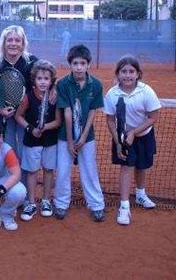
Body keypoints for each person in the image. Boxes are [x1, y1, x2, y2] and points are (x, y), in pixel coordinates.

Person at [103, 55, 161, 226]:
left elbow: (153, 117)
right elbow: (110, 120)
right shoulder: (112, 94)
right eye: (123, 72)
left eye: (131, 71)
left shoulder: (146, 91)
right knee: (127, 167)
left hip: (144, 134)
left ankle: (141, 195)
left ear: (138, 74)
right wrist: (118, 141)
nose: (127, 75)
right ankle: (124, 206)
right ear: (118, 74)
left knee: (142, 166)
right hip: (122, 137)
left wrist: (134, 132)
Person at [53, 44, 106, 222]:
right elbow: (67, 112)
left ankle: (97, 205)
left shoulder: (96, 85)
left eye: (82, 63)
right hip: (64, 137)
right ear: (70, 64)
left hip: (87, 138)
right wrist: (70, 141)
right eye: (75, 63)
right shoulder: (62, 84)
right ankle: (61, 204)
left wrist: (83, 137)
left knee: (90, 170)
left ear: (88, 64)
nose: (78, 67)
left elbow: (92, 112)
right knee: (62, 171)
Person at [15, 60, 61, 221]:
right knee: (32, 171)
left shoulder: (55, 97)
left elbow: (58, 121)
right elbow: (18, 116)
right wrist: (30, 128)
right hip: (31, 140)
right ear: (34, 79)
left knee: (48, 170)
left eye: (46, 79)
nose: (43, 82)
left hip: (50, 140)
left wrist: (44, 127)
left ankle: (47, 201)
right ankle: (31, 202)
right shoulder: (27, 96)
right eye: (40, 78)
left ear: (51, 80)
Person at [0, 25, 38, 159]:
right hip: (6, 115)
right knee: (9, 149)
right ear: (3, 43)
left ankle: (24, 179)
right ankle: (11, 178)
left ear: (23, 43)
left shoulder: (32, 62)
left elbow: (41, 85)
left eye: (17, 40)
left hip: (26, 115)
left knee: (25, 150)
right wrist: (0, 110)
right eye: (9, 40)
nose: (13, 44)